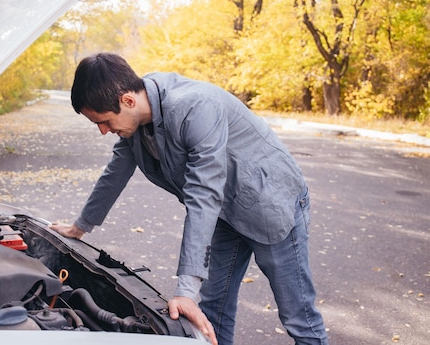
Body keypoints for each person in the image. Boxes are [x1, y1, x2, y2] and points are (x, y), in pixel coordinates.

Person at [49, 52, 329, 345]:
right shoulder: (134, 122)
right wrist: (79, 227)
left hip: (271, 205)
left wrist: (185, 290)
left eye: (104, 121)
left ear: (127, 100)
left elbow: (203, 195)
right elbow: (114, 174)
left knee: (299, 318)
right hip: (224, 213)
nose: (103, 131)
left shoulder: (194, 106)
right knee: (210, 314)